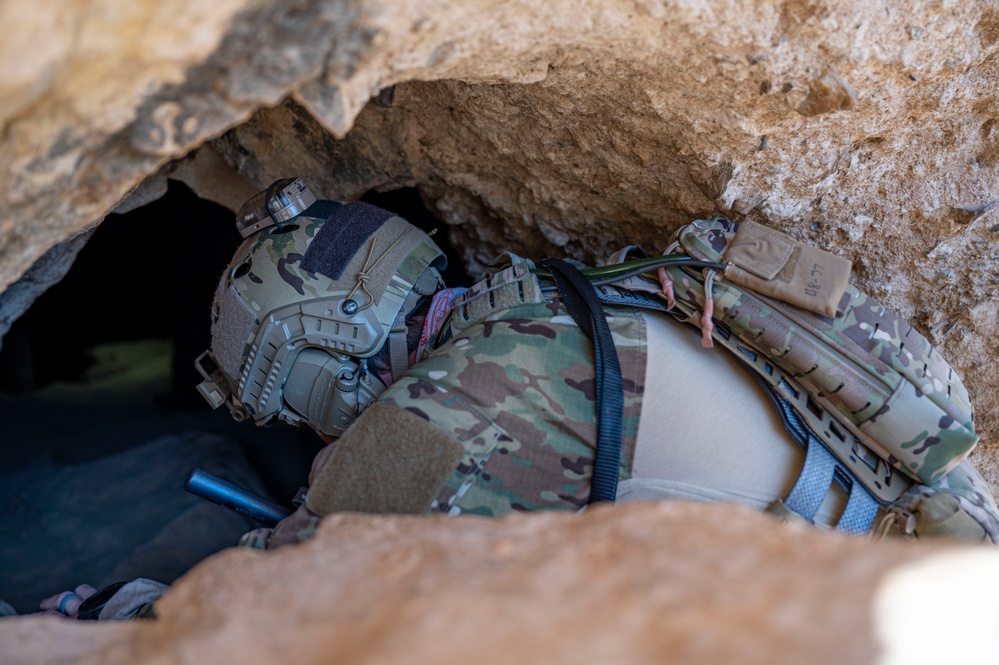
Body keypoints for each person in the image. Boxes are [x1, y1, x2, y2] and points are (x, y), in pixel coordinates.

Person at [30, 178, 999, 619]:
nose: (315, 424)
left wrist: (121, 612)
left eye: (293, 399)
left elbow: (290, 595)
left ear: (322, 351)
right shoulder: (576, 297)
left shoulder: (460, 394)